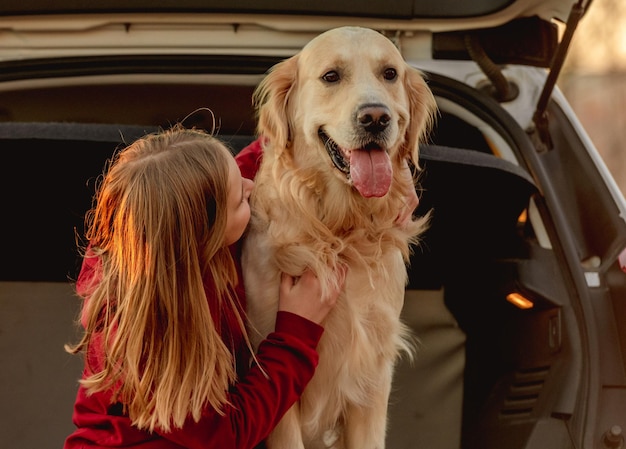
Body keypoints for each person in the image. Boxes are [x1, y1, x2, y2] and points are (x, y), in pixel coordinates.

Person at [63, 125, 345, 449]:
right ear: (204, 237)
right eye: (240, 199)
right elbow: (226, 433)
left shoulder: (163, 228)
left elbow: (233, 175)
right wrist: (296, 333)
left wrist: (295, 129)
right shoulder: (143, 340)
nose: (252, 187)